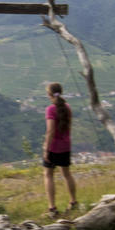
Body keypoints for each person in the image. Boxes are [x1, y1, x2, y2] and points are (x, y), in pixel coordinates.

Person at [43, 82, 79, 217]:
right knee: (67, 174)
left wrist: (46, 149)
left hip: (53, 147)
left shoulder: (50, 110)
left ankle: (52, 208)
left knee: (48, 175)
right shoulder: (67, 107)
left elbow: (50, 131)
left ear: (49, 94)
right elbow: (68, 127)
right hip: (65, 145)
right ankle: (73, 202)